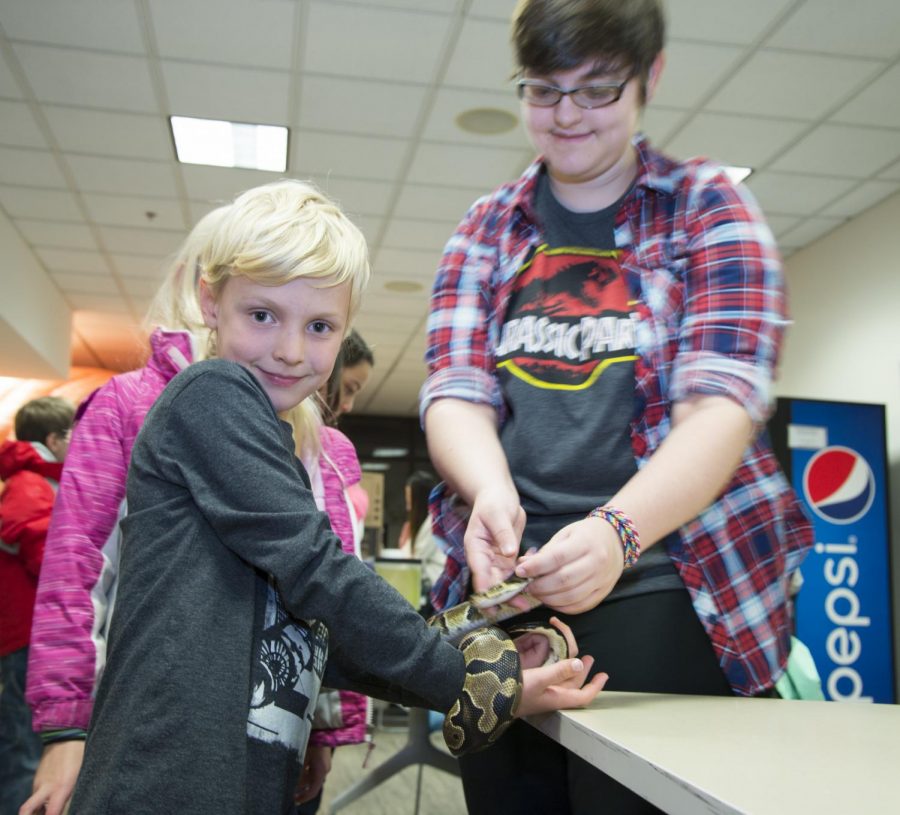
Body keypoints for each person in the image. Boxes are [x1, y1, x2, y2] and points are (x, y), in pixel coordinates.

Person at [65, 179, 605, 814]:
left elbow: (318, 639)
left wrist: (488, 660)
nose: (291, 351)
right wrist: (469, 680)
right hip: (162, 782)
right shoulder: (211, 395)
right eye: (263, 315)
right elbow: (320, 571)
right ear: (210, 301)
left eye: (319, 326)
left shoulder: (277, 453)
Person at [420, 1, 814, 813]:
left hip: (669, 574)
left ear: (649, 79)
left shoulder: (706, 207)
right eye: (542, 90)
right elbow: (456, 392)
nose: (566, 116)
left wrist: (618, 531)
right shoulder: (487, 228)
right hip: (509, 586)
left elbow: (721, 408)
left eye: (597, 91)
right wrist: (490, 491)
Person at [20, 205, 231, 815]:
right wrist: (66, 728)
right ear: (206, 293)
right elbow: (77, 567)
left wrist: (323, 721)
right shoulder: (127, 405)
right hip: (142, 716)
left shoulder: (298, 426)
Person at [0, 397, 74, 815]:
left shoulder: (33, 480)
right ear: (52, 438)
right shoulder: (29, 483)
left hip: (31, 633)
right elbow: (48, 554)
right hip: (29, 635)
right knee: (23, 746)